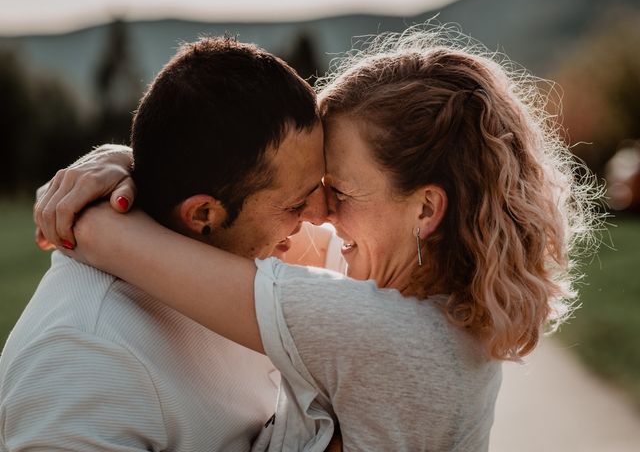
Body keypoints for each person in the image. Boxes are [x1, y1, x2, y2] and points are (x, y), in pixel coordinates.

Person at [34, 25, 600, 451]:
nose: (319, 216)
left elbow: (104, 238)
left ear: (425, 209)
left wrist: (100, 192)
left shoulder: (380, 332)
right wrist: (147, 162)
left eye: (340, 192)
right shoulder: (438, 313)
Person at [0, 37, 331, 451]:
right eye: (298, 202)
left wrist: (124, 158)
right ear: (203, 215)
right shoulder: (83, 358)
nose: (320, 215)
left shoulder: (258, 244)